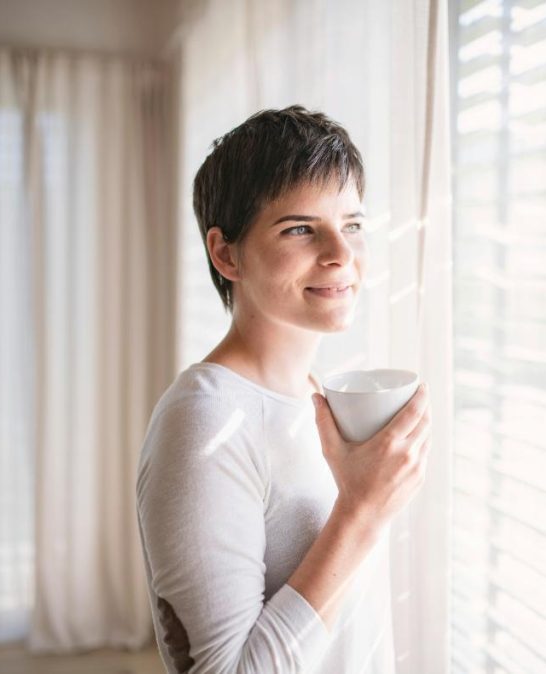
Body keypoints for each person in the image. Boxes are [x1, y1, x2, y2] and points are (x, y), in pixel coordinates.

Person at [135, 105, 432, 674]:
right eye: (300, 228)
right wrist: (362, 512)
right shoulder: (203, 422)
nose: (341, 254)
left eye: (351, 224)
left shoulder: (319, 397)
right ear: (226, 254)